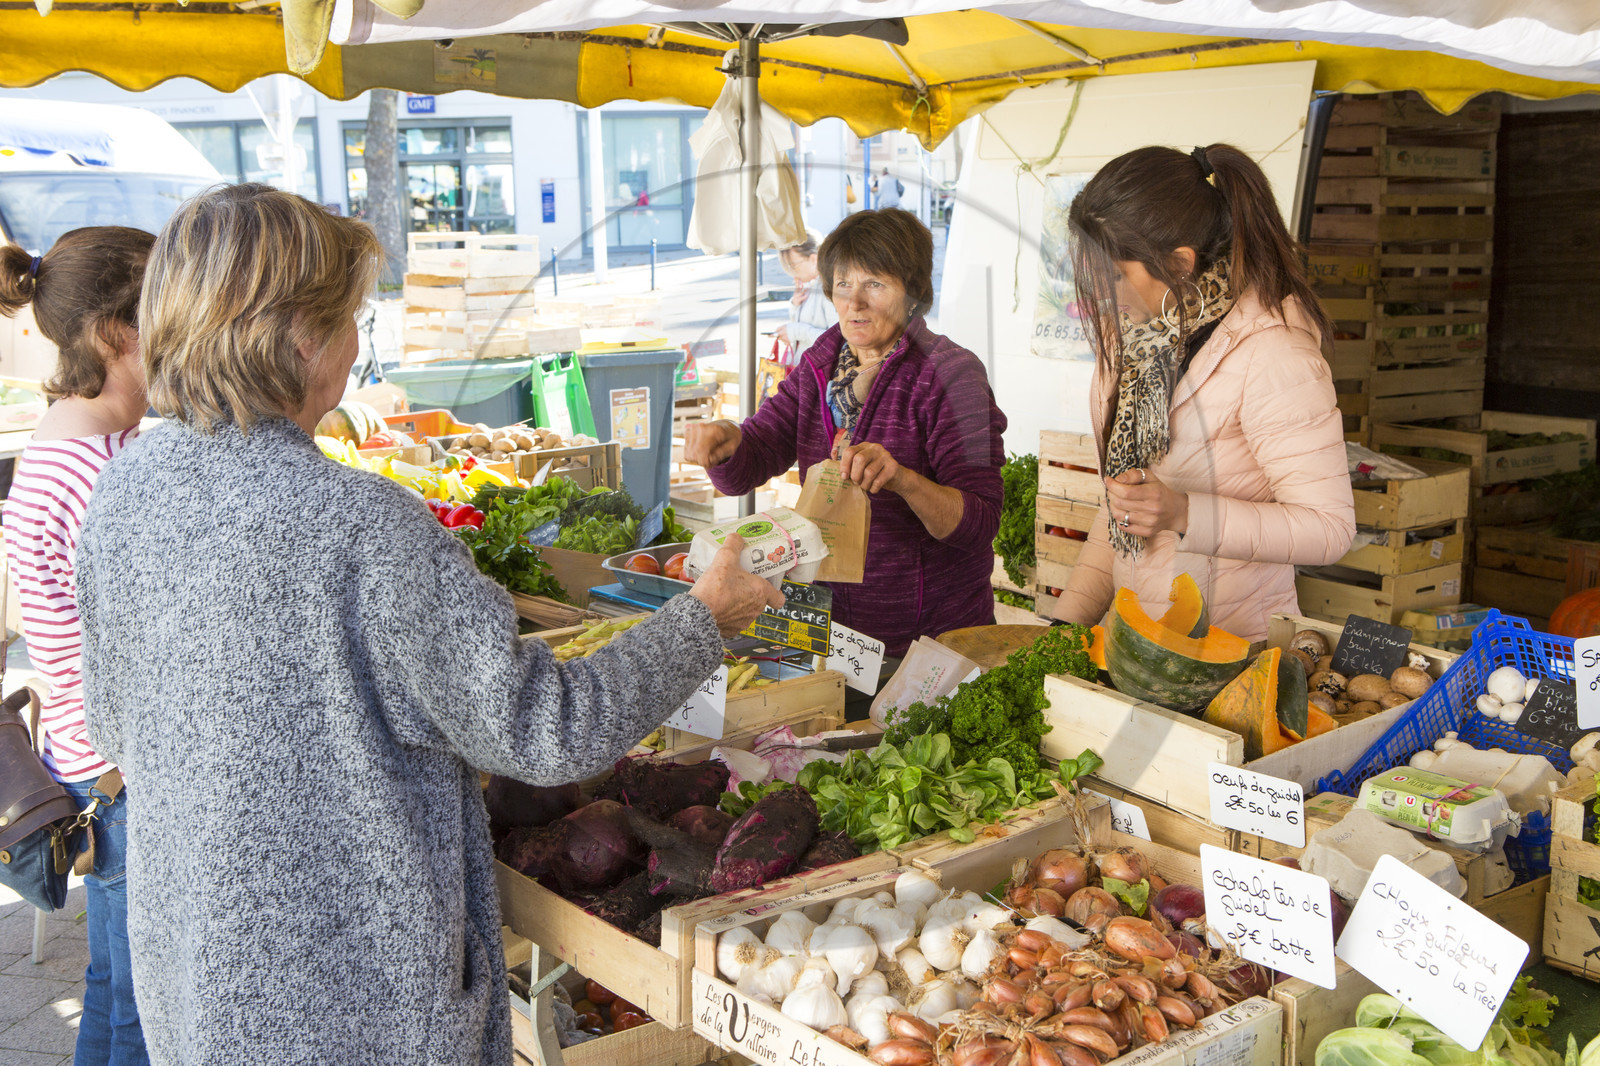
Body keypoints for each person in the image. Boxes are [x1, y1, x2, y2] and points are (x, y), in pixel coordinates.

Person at [71, 184, 783, 1065]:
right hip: (353, 1002)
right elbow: (547, 730)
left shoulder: (125, 493)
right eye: (352, 317)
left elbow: (112, 725)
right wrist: (705, 618)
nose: (358, 342)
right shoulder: (361, 526)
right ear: (302, 337)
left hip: (195, 977)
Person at [1049, 144, 1356, 642]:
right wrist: (1065, 624)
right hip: (1137, 643)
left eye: (1116, 276)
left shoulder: (1273, 354)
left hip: (1232, 652)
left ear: (1179, 263)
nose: (1108, 294)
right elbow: (1122, 511)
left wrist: (1185, 513)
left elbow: (1329, 529)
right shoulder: (1133, 340)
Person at [684, 208, 1006, 658]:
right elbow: (752, 460)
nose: (855, 303)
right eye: (842, 285)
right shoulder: (822, 363)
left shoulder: (950, 376)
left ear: (913, 291)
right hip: (828, 631)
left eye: (875, 284)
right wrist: (726, 446)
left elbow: (979, 522)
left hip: (926, 642)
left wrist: (903, 480)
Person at [0, 226, 154, 1066]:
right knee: (140, 1002)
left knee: (113, 983)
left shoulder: (97, 438)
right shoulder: (87, 466)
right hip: (117, 769)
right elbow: (79, 650)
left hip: (98, 756)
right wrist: (120, 769)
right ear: (111, 334)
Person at [773, 228, 838, 359]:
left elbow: (836, 341)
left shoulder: (828, 289)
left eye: (794, 265)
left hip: (819, 375)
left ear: (814, 259)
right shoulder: (809, 286)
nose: (792, 272)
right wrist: (795, 306)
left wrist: (795, 331)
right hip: (805, 372)